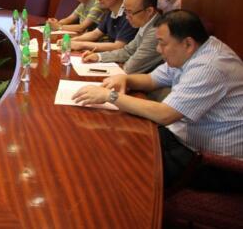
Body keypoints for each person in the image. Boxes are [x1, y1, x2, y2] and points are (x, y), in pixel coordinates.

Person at [72, 10, 243, 187]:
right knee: (116, 140)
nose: (158, 49)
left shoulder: (209, 67)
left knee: (122, 170)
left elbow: (165, 114)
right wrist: (125, 79)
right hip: (183, 137)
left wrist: (109, 96)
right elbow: (152, 79)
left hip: (215, 162)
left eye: (162, 43)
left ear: (188, 43)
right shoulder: (193, 50)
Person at [82, 0, 163, 74]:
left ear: (149, 11)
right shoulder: (146, 22)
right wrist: (99, 56)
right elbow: (128, 51)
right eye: (125, 11)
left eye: (130, 12)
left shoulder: (157, 31)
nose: (127, 17)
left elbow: (131, 68)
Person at [68, 0, 138, 52]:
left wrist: (82, 45)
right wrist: (71, 40)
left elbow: (119, 46)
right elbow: (95, 34)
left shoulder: (129, 15)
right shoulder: (110, 12)